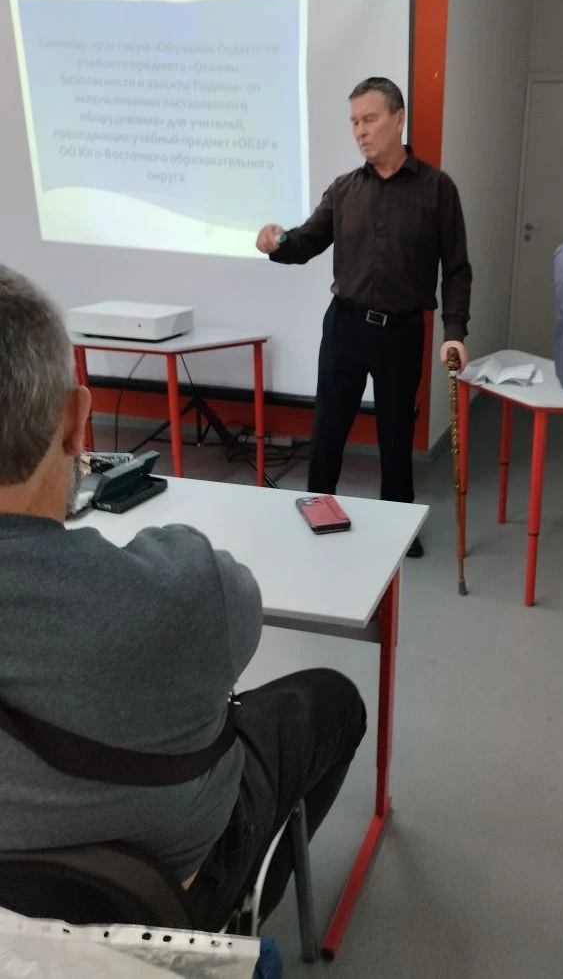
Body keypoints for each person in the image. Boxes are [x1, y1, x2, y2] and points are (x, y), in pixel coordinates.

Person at [0, 264, 366, 931]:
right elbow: (241, 608)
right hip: (161, 894)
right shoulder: (182, 587)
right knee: (334, 701)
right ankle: (241, 926)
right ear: (75, 421)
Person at [257, 77, 472, 558]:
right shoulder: (344, 190)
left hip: (402, 332)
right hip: (346, 326)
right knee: (328, 429)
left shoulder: (437, 190)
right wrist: (277, 242)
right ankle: (317, 513)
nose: (360, 131)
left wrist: (455, 331)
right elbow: (305, 242)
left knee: (397, 433)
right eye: (354, 122)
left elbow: (456, 269)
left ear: (399, 119)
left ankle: (398, 525)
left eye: (369, 119)